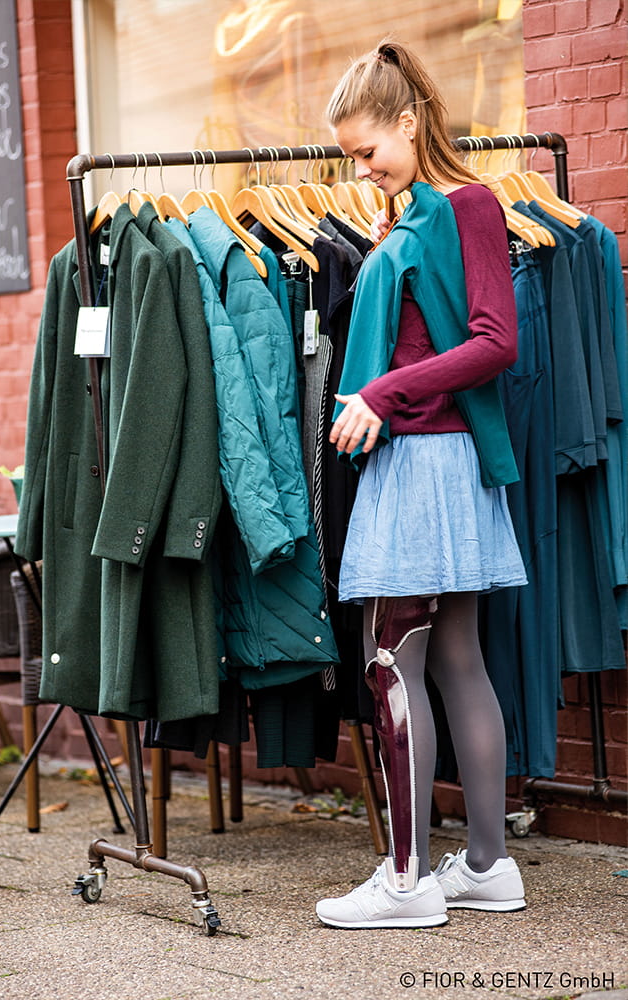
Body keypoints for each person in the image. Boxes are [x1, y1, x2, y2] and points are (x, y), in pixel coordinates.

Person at [315, 39, 529, 930]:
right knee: (453, 661)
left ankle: (407, 883)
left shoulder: (464, 204)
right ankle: (484, 867)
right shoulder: (415, 218)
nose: (359, 170)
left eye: (367, 150)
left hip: (428, 462)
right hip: (433, 461)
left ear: (408, 122)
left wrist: (379, 392)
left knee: (391, 666)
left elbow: (495, 342)